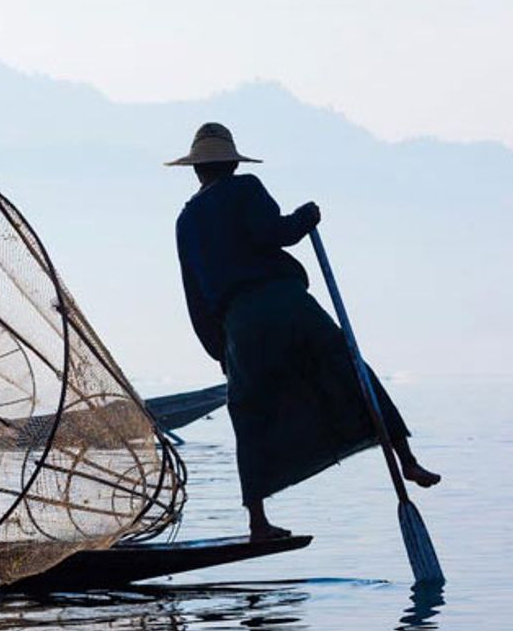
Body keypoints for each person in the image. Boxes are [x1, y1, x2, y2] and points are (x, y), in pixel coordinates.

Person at [168, 123, 440, 540]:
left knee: (249, 411)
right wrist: (306, 217)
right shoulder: (246, 189)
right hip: (286, 302)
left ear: (197, 171)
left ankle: (257, 521)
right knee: (351, 369)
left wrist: (220, 350)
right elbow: (274, 233)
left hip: (239, 323)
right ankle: (407, 460)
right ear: (232, 163)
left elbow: (196, 295)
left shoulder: (186, 221)